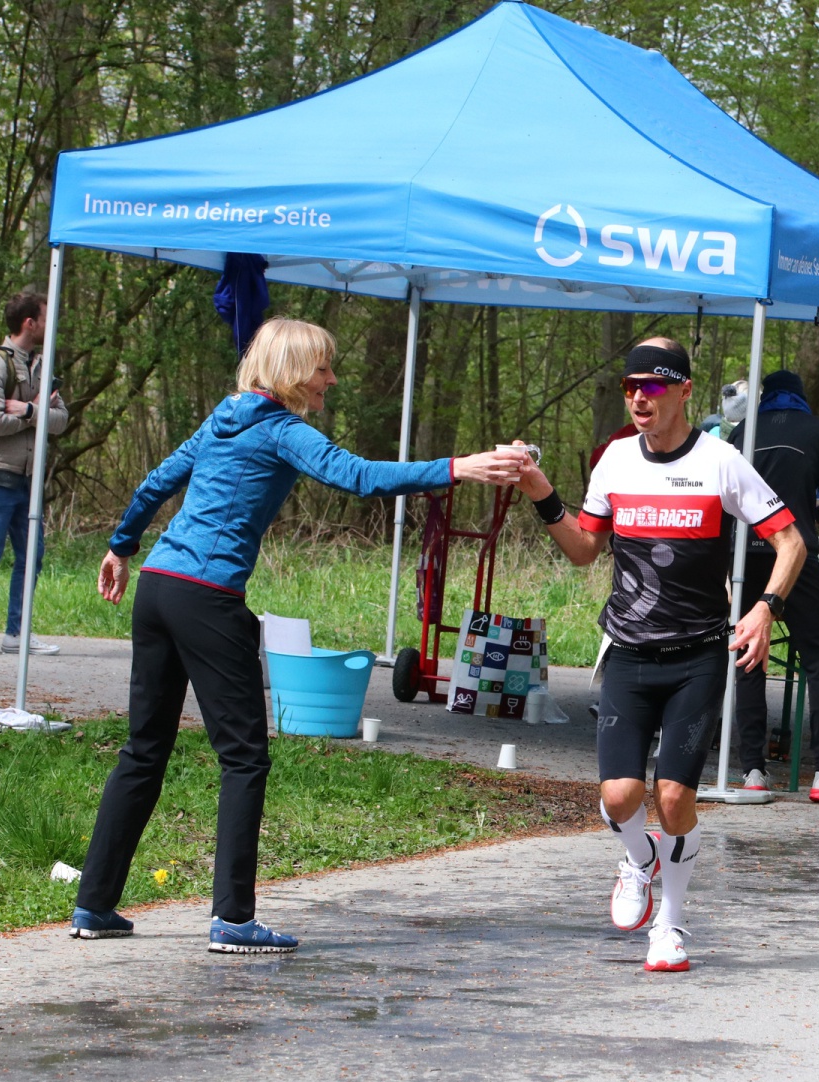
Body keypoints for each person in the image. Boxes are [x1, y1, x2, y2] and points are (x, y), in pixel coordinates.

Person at [73, 318, 520, 951]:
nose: (331, 380)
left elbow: (157, 482)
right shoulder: (283, 431)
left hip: (159, 588)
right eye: (322, 369)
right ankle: (233, 920)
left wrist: (121, 547)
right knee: (244, 757)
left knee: (144, 750)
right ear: (290, 372)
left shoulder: (224, 417)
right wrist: (458, 467)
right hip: (207, 599)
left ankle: (93, 906)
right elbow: (360, 477)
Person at [512, 338, 802, 971]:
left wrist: (765, 608)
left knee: (673, 799)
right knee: (620, 798)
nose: (639, 397)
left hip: (698, 655)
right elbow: (584, 549)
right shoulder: (616, 459)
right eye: (630, 387)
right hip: (627, 651)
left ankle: (669, 926)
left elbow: (791, 542)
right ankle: (638, 859)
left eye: (653, 386)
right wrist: (541, 492)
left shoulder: (721, 461)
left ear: (684, 391)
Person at [725, 369, 819, 802]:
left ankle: (753, 770)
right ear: (801, 396)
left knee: (748, 657)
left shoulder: (740, 433)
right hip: (795, 554)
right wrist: (810, 516)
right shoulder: (818, 431)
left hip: (743, 556)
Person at [0, 291, 67, 657]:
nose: (50, 324)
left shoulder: (43, 365)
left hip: (30, 481)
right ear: (30, 322)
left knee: (31, 557)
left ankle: (16, 633)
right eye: (45, 317)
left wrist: (27, 410)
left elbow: (61, 420)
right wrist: (37, 412)